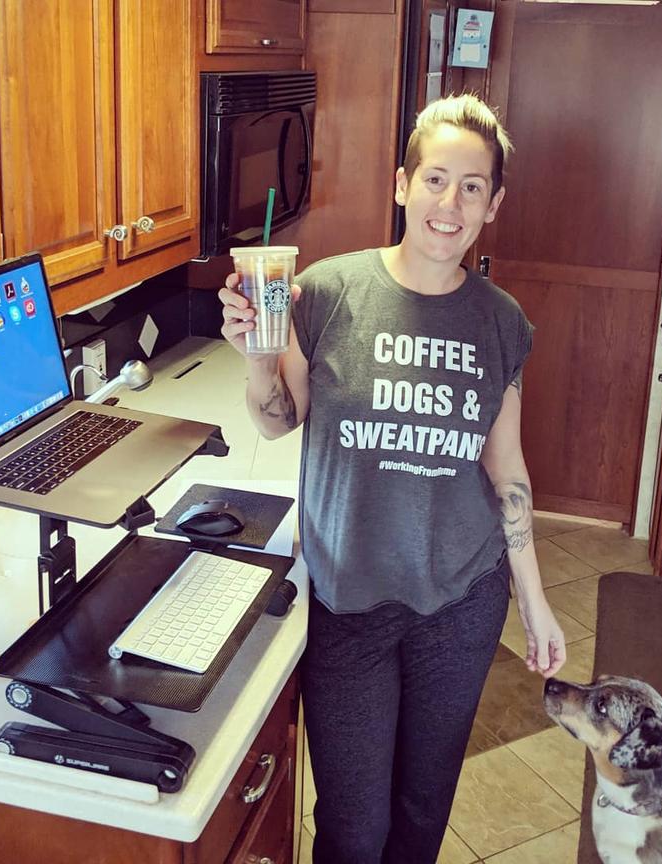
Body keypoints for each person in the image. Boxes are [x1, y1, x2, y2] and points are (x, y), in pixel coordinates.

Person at [218, 93, 566, 864]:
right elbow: (278, 419)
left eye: (472, 186)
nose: (451, 202)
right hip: (350, 599)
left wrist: (535, 603)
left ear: (493, 204)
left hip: (462, 602)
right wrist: (254, 355)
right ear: (403, 184)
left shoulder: (501, 321)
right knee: (352, 826)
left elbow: (505, 467)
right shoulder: (328, 294)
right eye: (436, 178)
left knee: (419, 814)